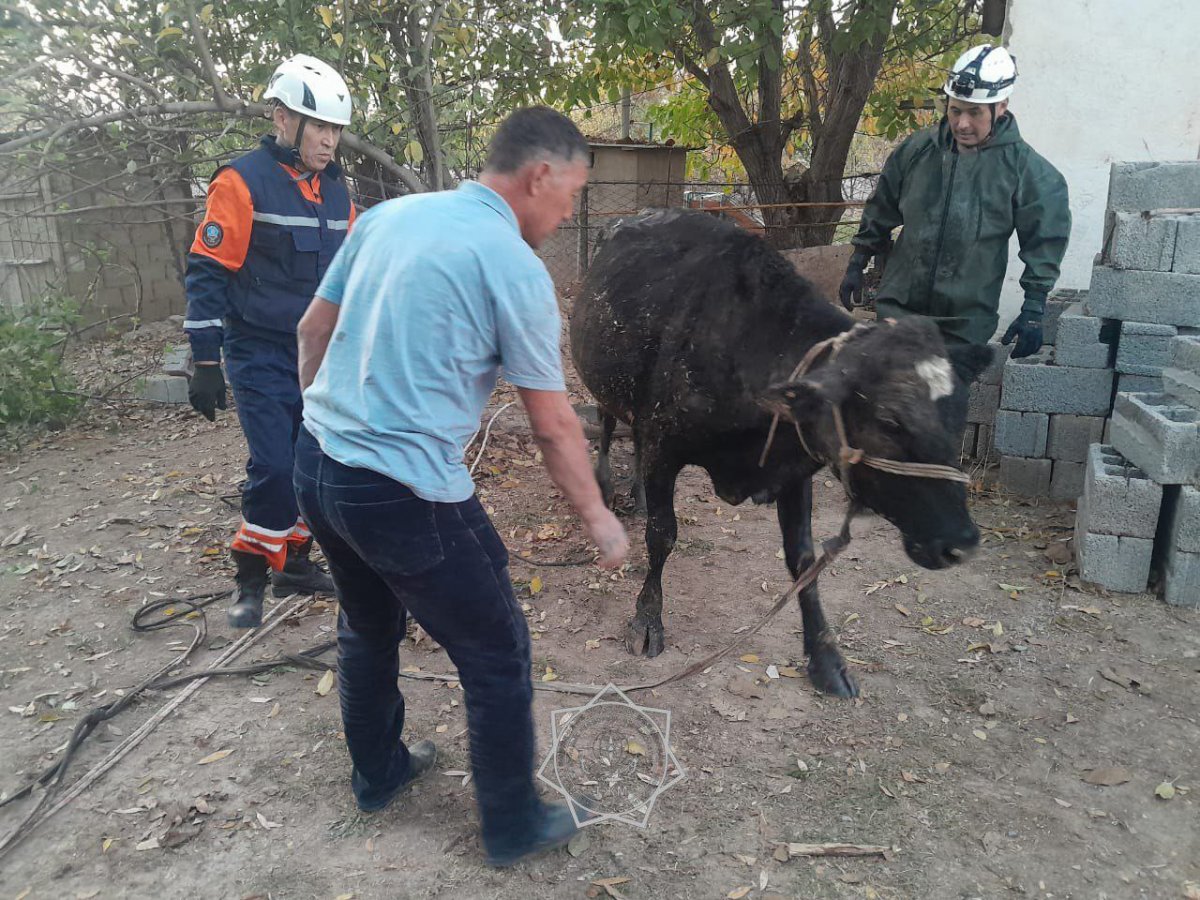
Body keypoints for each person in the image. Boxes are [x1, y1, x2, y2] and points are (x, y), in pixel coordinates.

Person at [292, 107, 630, 866]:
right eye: (573, 192)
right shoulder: (513, 266)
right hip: (397, 490)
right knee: (498, 649)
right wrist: (600, 519)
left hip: (316, 465)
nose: (571, 209)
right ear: (538, 176)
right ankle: (511, 825)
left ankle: (378, 776)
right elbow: (552, 425)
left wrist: (323, 423)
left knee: (370, 623)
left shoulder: (387, 216)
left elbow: (312, 331)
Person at [183, 55, 355, 628]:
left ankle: (296, 562)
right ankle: (251, 576)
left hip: (318, 357)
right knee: (275, 464)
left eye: (335, 129)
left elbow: (351, 274)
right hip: (257, 350)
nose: (329, 141)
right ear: (282, 119)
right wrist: (204, 359)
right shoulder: (241, 181)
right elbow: (208, 271)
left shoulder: (336, 195)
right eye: (319, 127)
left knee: (313, 461)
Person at [839, 44, 1070, 359]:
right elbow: (882, 208)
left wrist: (1033, 308)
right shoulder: (917, 151)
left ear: (1000, 107)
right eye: (955, 109)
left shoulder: (1028, 172)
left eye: (974, 112)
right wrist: (857, 261)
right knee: (887, 400)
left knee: (940, 405)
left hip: (964, 323)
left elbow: (1045, 242)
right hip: (899, 311)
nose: (962, 123)